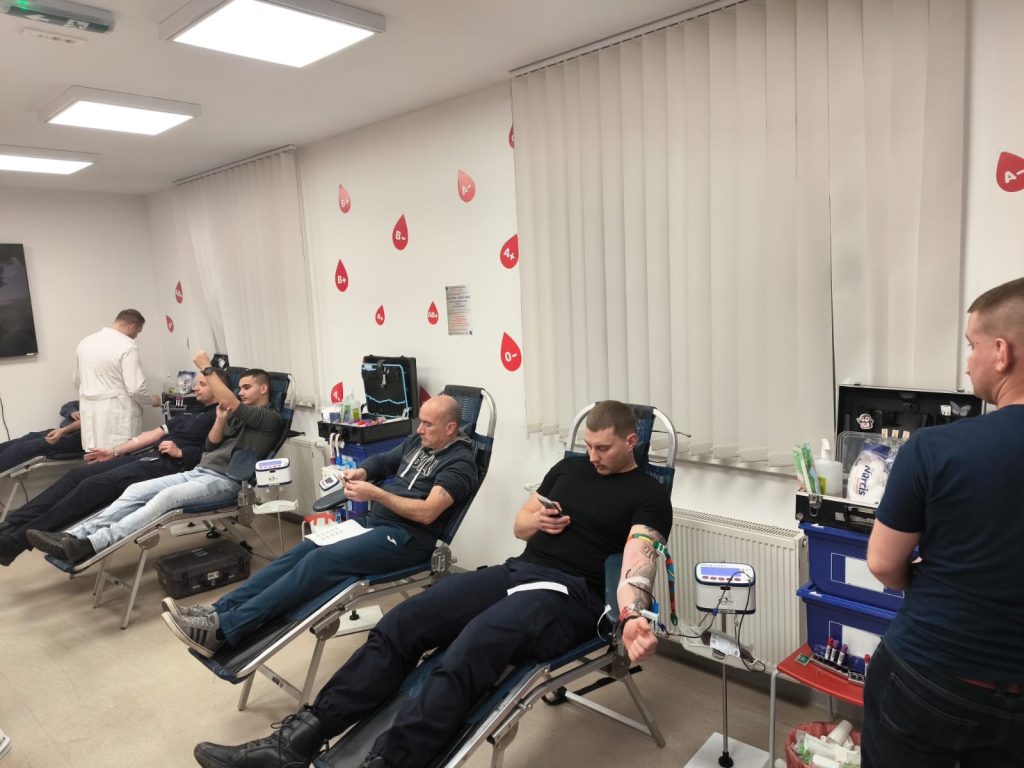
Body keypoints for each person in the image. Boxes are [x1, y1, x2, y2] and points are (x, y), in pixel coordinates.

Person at [193, 400, 672, 768]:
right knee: (404, 621)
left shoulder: (648, 495)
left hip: (569, 597)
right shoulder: (569, 469)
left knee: (472, 646)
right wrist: (538, 522)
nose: (593, 456)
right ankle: (296, 741)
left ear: (631, 442)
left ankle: (390, 760)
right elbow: (521, 524)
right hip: (517, 572)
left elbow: (639, 559)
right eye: (588, 446)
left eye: (603, 448)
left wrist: (632, 615)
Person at [161, 394, 479, 657]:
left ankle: (224, 630)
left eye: (427, 424)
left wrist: (376, 494)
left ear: (450, 428)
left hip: (407, 538)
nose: (419, 429)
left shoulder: (459, 463)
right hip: (374, 524)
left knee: (321, 561)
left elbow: (427, 513)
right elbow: (384, 461)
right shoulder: (419, 442)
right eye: (420, 421)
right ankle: (217, 612)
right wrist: (362, 473)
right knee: (304, 549)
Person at [863, 277, 1024, 768]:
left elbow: (882, 563)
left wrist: (916, 578)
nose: (968, 361)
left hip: (930, 673)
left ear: (1002, 352)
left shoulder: (936, 448)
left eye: (972, 345)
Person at [28, 352, 282, 564]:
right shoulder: (237, 416)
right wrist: (220, 420)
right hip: (199, 472)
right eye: (239, 388)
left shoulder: (270, 418)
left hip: (226, 482)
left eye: (246, 387)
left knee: (165, 498)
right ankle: (73, 535)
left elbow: (232, 402)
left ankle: (92, 543)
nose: (240, 392)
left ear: (263, 388)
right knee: (135, 491)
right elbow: (211, 444)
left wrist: (206, 367)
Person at [0, 371, 222, 567]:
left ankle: (15, 542)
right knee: (77, 475)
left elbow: (218, 450)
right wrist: (115, 451)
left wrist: (182, 453)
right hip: (147, 456)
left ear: (218, 387)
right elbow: (150, 435)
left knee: (92, 486)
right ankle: (12, 523)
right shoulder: (194, 411)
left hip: (169, 465)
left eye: (202, 384)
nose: (195, 387)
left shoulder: (221, 416)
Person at [73, 308, 161, 453]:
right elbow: (136, 388)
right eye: (138, 332)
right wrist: (151, 401)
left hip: (90, 414)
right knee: (117, 457)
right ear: (132, 327)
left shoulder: (85, 343)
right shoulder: (127, 345)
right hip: (117, 417)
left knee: (94, 456)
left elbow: (77, 381)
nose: (136, 336)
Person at [0, 400, 81, 474]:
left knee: (19, 448)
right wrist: (72, 412)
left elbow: (84, 422)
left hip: (75, 439)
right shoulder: (85, 402)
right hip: (61, 432)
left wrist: (63, 430)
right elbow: (68, 405)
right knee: (15, 442)